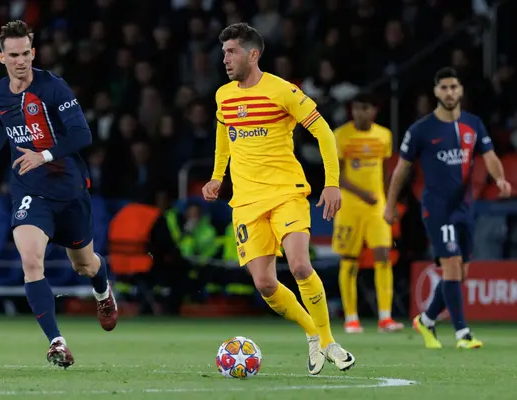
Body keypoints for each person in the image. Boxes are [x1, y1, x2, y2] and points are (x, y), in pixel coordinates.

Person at [202, 23, 355, 375]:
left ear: (253, 54)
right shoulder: (223, 95)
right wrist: (216, 176)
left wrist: (332, 184)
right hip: (245, 202)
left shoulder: (283, 91)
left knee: (300, 265)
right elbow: (224, 136)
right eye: (223, 51)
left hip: (286, 193)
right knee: (266, 284)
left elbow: (324, 132)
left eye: (232, 51)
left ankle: (330, 341)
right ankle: (313, 334)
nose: (224, 58)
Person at [0, 20, 117, 368]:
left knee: (84, 264)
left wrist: (44, 154)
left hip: (68, 189)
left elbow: (82, 135)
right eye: (13, 55)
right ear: (1, 57)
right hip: (29, 191)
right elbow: (1, 119)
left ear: (33, 53)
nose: (20, 60)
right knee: (31, 261)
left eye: (26, 53)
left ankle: (103, 290)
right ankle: (56, 342)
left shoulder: (54, 87)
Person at [384, 67, 511, 349]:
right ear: (436, 92)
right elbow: (402, 170)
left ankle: (426, 320)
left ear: (461, 90)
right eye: (444, 87)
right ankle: (462, 334)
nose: (450, 92)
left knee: (461, 271)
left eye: (454, 87)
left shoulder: (473, 124)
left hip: (465, 208)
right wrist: (390, 204)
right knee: (452, 267)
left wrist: (500, 178)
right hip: (437, 208)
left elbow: (489, 156)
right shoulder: (421, 130)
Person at [333, 93, 404, 333]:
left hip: (377, 205)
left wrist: (389, 201)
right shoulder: (340, 135)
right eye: (355, 108)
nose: (359, 113)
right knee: (349, 260)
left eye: (364, 108)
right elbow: (338, 175)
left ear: (374, 110)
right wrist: (363, 194)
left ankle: (385, 317)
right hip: (350, 206)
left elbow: (385, 172)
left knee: (383, 255)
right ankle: (351, 318)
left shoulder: (384, 135)